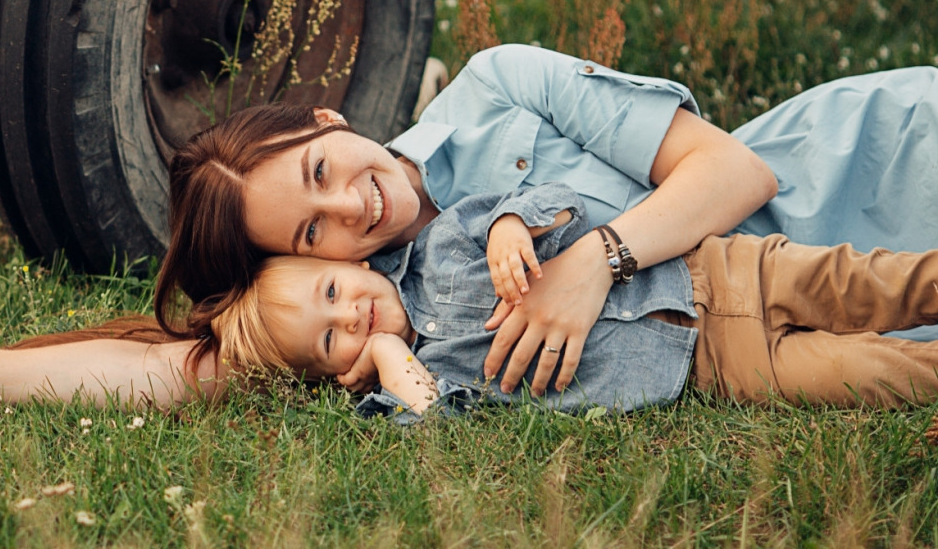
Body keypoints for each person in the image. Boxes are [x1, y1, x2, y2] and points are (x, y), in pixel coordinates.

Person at [0, 45, 938, 457]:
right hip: (741, 352)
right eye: (309, 234)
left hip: (862, 178)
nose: (350, 211)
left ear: (322, 121)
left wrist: (596, 259)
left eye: (318, 173)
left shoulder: (497, 90)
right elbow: (170, 365)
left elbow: (739, 177)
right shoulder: (372, 303)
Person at [209, 182, 938, 421]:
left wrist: (507, 227)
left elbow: (548, 199)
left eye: (332, 291)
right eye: (332, 337)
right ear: (340, 372)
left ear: (344, 261)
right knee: (875, 374)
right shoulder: (445, 374)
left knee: (880, 282)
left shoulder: (441, 248)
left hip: (718, 270)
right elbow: (427, 420)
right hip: (716, 367)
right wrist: (390, 355)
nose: (350, 315)